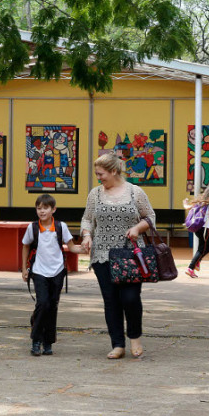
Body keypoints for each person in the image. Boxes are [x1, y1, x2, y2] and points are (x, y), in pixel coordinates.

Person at [79, 153, 155, 359]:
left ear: (114, 171)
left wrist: (138, 228)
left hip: (130, 254)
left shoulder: (135, 192)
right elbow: (87, 219)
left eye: (101, 174)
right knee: (111, 300)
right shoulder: (95, 194)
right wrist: (87, 236)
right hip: (102, 255)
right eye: (97, 174)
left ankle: (135, 337)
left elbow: (150, 217)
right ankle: (117, 344)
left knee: (130, 298)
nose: (99, 178)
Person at [21, 194, 84, 357]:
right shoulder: (33, 227)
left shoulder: (61, 226)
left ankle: (48, 342)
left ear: (53, 209)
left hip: (57, 272)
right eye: (39, 208)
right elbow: (25, 246)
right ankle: (36, 340)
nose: (42, 211)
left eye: (45, 208)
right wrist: (24, 268)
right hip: (39, 271)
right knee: (42, 303)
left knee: (52, 306)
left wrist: (85, 248)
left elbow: (72, 247)